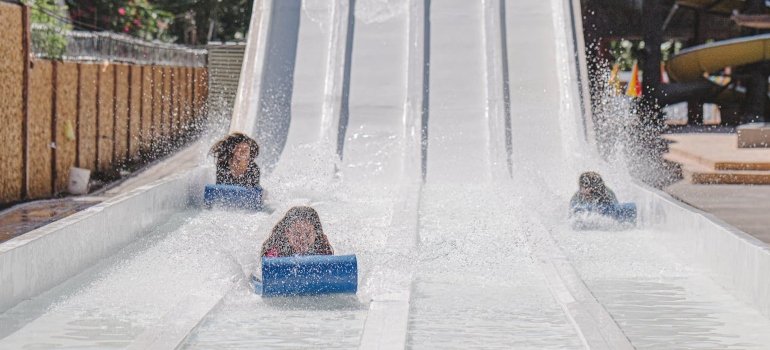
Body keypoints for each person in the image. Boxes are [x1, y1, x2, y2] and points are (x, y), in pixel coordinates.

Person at [261, 206, 334, 257]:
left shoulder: (321, 248)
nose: (302, 238)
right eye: (297, 233)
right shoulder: (276, 251)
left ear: (315, 234)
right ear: (287, 232)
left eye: (308, 234)